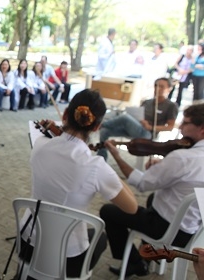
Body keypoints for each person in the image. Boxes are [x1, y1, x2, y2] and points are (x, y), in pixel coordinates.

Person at [24, 90, 138, 278]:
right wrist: (112, 160)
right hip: (66, 257)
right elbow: (131, 207)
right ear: (96, 127)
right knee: (100, 237)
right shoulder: (95, 167)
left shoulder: (40, 145)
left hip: (29, 242)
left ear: (65, 114)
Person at [100, 102, 204, 277]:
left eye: (186, 123)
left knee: (108, 211)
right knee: (153, 199)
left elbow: (142, 184)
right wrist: (163, 167)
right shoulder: (186, 157)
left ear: (202, 129)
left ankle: (135, 263)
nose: (181, 127)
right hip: (194, 230)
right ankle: (147, 256)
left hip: (168, 230)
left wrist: (117, 156)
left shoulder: (183, 157)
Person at [97, 77, 178, 161]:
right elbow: (139, 115)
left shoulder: (171, 106)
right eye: (156, 86)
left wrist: (151, 127)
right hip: (136, 128)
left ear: (169, 89)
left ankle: (99, 124)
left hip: (148, 134)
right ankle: (101, 158)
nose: (157, 88)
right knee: (104, 131)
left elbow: (170, 127)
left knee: (125, 118)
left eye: (161, 87)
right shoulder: (147, 102)